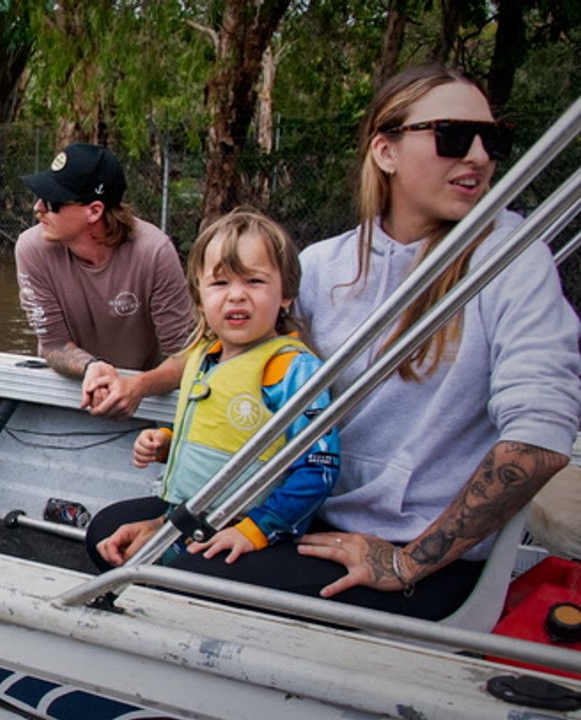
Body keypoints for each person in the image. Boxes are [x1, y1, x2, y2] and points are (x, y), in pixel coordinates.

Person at [93, 64, 581, 621]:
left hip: (413, 554)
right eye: (451, 136)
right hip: (309, 513)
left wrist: (408, 563)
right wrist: (145, 398)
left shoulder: (514, 261)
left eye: (491, 139)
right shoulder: (325, 263)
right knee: (115, 534)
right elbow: (233, 352)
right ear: (386, 151)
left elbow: (539, 443)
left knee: (152, 565)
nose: (477, 156)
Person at [86, 210, 339, 569]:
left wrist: (254, 530)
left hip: (248, 526)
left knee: (168, 570)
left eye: (254, 281)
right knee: (106, 540)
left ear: (286, 294)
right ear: (200, 299)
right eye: (220, 284)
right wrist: (167, 442)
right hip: (192, 517)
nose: (236, 296)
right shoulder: (205, 357)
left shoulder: (291, 369)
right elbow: (221, 432)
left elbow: (320, 468)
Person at [15, 143, 194, 419]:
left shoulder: (154, 252)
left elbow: (188, 354)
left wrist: (137, 386)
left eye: (52, 202)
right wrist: (92, 367)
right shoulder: (31, 248)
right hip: (67, 392)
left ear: (94, 211)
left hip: (139, 399)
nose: (37, 208)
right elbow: (53, 344)